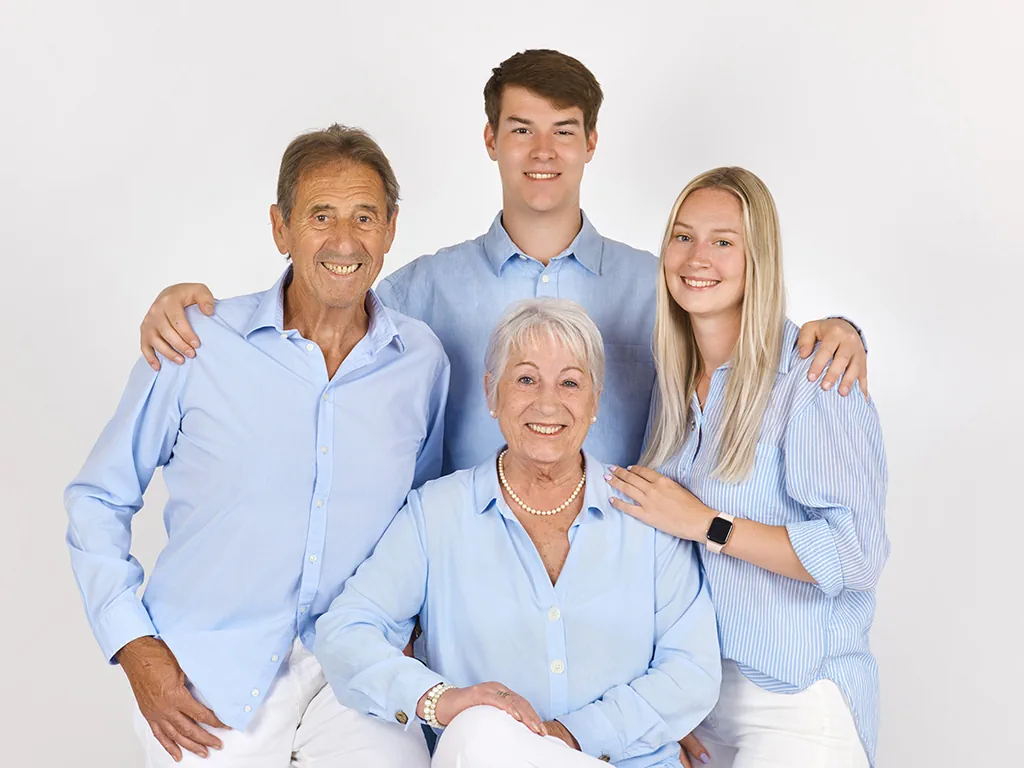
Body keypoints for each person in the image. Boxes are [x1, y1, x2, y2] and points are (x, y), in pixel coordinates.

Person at [133, 49, 868, 473]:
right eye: (521, 130)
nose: (542, 153)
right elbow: (316, 330)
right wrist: (189, 305)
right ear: (490, 140)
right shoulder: (418, 291)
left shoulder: (662, 285)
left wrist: (841, 331)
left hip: (626, 590)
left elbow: (756, 345)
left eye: (563, 131)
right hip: (460, 598)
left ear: (591, 144)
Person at [65, 125, 449, 767]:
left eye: (365, 217)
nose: (345, 241)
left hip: (352, 669)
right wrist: (134, 647)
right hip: (206, 674)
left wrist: (407, 635)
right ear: (281, 227)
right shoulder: (197, 344)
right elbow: (97, 499)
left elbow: (422, 515)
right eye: (320, 216)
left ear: (390, 229)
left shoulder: (422, 361)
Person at [313, 298, 722, 768]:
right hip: (483, 756)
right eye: (526, 379)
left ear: (594, 401)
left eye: (570, 382)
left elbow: (692, 670)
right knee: (482, 729)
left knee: (487, 733)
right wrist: (439, 701)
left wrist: (567, 737)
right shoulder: (436, 514)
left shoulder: (646, 511)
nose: (548, 403)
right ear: (491, 393)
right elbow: (345, 631)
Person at [606, 167, 888, 767]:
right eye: (682, 236)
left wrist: (708, 524)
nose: (697, 257)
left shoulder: (813, 377)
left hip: (796, 705)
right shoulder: (673, 387)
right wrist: (664, 701)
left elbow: (858, 553)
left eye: (723, 241)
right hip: (699, 705)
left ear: (758, 258)